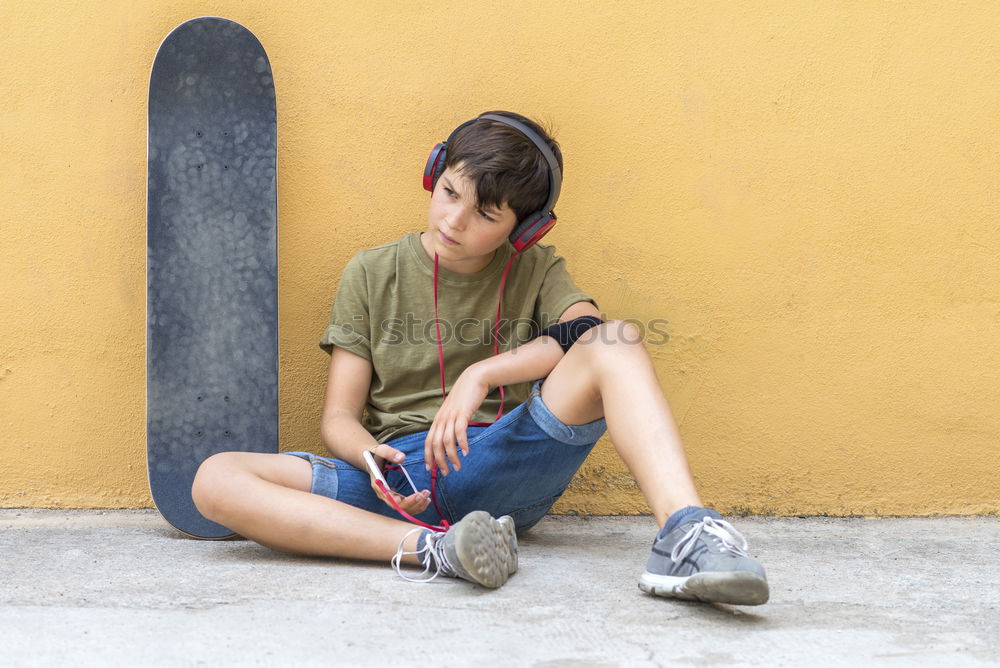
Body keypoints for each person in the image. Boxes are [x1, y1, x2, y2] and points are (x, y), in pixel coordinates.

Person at [192, 111, 769, 605]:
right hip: (398, 476)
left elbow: (589, 330)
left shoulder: (538, 269)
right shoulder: (370, 272)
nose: (453, 220)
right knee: (216, 480)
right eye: (449, 193)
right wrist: (371, 459)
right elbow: (338, 417)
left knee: (617, 340)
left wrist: (482, 373)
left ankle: (686, 534)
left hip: (502, 455)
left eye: (485, 215)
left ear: (526, 230)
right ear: (434, 176)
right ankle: (438, 551)